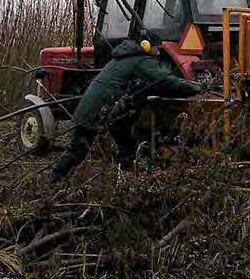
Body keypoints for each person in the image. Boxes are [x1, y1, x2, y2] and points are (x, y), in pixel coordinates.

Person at [49, 38, 200, 180]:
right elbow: (165, 80)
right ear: (146, 46)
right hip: (98, 110)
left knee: (125, 143)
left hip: (99, 109)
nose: (158, 52)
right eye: (156, 48)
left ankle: (123, 177)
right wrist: (196, 88)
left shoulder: (123, 58)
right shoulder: (141, 61)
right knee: (78, 150)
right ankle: (54, 179)